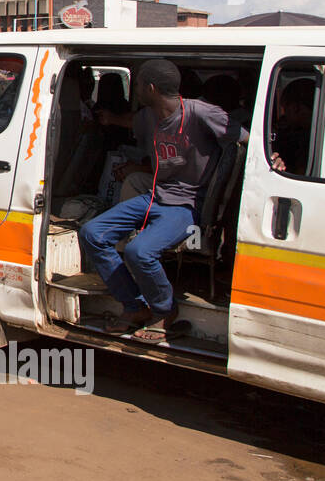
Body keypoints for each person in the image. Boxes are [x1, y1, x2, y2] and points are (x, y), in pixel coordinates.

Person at [79, 59, 246, 344]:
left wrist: (273, 160)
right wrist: (107, 118)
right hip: (156, 195)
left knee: (139, 251)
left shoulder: (201, 113)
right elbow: (131, 121)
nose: (137, 90)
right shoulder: (149, 115)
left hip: (187, 205)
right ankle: (135, 306)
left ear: (151, 88)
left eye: (139, 84)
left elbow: (244, 139)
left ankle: (165, 309)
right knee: (93, 233)